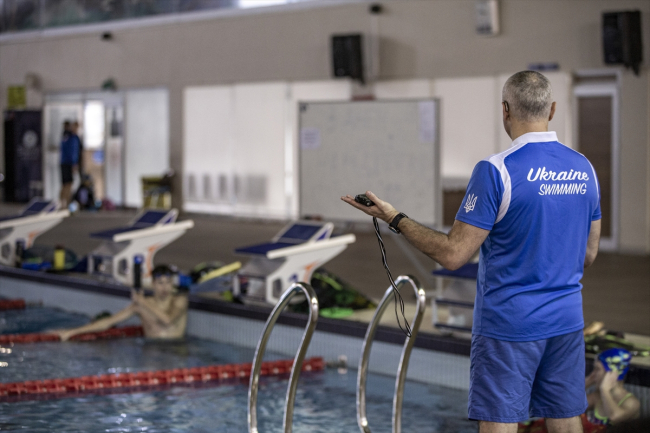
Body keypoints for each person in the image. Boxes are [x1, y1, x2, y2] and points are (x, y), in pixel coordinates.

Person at [342, 70, 601, 433]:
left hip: (509, 326)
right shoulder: (584, 168)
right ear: (553, 110)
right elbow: (588, 254)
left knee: (501, 422)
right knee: (566, 420)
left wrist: (393, 217)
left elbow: (453, 254)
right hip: (566, 320)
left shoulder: (497, 171)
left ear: (505, 110)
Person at [56, 265, 188, 341]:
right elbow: (109, 322)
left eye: (168, 283)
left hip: (175, 349)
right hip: (152, 351)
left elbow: (168, 320)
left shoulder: (179, 301)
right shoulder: (141, 306)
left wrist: (142, 301)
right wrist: (72, 332)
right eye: (160, 283)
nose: (165, 288)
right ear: (152, 284)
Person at [582, 348, 640, 431]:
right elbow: (569, 404)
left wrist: (605, 390)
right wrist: (587, 382)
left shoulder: (632, 402)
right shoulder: (597, 396)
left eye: (597, 369)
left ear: (612, 374)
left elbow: (615, 416)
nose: (593, 373)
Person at [59, 120, 80, 208]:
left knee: (65, 184)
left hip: (64, 162)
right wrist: (74, 164)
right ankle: (65, 204)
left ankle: (62, 203)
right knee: (68, 184)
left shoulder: (65, 136)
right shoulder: (72, 137)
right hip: (69, 163)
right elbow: (73, 152)